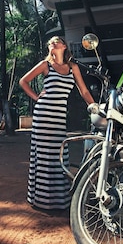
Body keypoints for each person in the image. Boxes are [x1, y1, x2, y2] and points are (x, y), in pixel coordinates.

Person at [19, 36, 95, 211]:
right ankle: (42, 200)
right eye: (50, 42)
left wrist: (94, 106)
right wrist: (36, 97)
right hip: (43, 115)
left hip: (59, 116)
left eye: (56, 41)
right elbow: (23, 81)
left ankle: (59, 200)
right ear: (50, 48)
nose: (53, 43)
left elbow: (83, 90)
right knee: (45, 156)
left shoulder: (72, 67)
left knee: (59, 154)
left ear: (64, 46)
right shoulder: (45, 65)